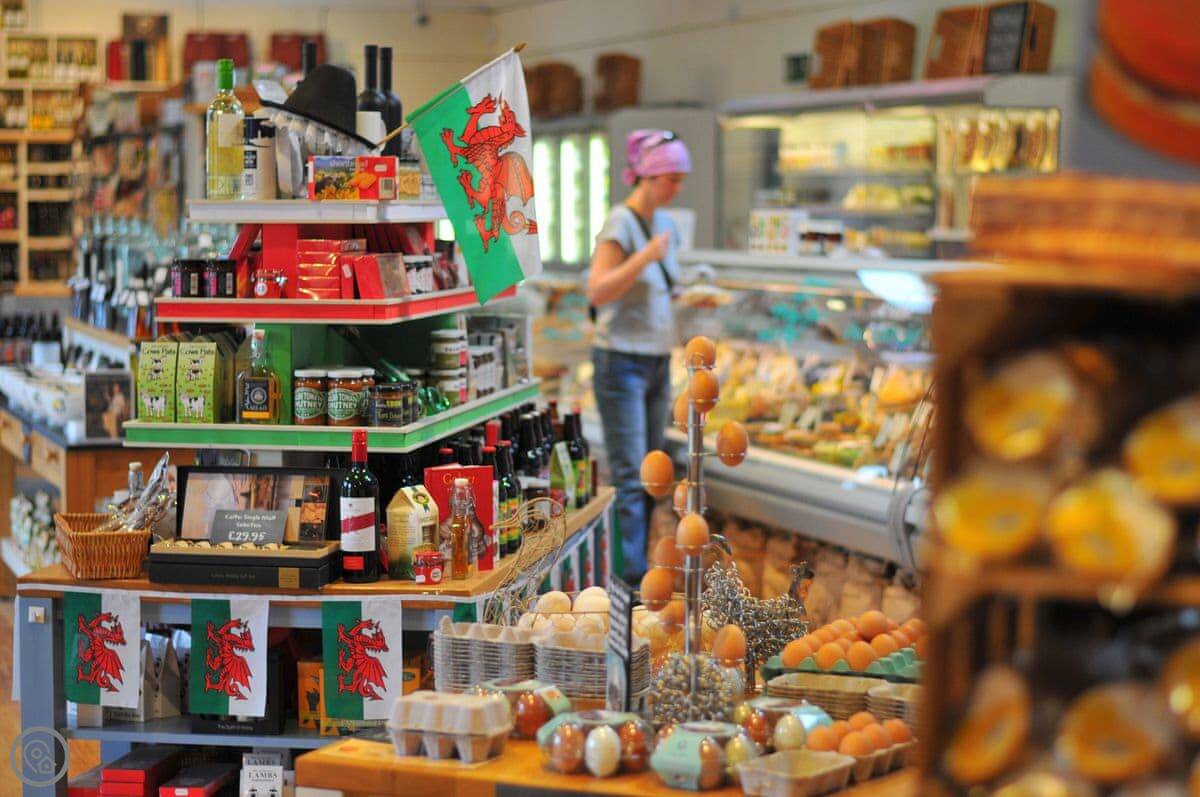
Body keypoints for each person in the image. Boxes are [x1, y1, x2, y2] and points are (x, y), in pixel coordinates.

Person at [587, 129, 691, 582]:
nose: (677, 188)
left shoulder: (660, 224)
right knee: (632, 477)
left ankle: (642, 577)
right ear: (647, 176)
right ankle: (628, 585)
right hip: (621, 363)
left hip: (655, 361)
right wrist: (645, 257)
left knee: (653, 477)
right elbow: (598, 290)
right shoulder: (621, 223)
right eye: (671, 178)